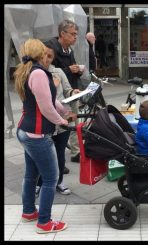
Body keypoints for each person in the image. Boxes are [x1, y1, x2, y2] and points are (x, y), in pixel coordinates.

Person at [14, 38, 71, 233]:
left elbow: (49, 100)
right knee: (51, 178)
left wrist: (64, 112)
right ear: (39, 52)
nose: (48, 54)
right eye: (45, 52)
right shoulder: (38, 73)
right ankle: (44, 223)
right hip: (36, 134)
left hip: (26, 130)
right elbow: (46, 106)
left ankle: (29, 211)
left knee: (31, 174)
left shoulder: (28, 70)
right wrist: (60, 121)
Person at [35, 41, 79, 197]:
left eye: (50, 56)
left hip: (62, 121)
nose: (47, 58)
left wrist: (74, 92)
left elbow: (67, 90)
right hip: (44, 122)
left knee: (60, 154)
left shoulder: (58, 72)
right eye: (44, 55)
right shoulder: (35, 73)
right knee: (43, 155)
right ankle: (39, 183)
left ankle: (59, 181)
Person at [49, 19, 82, 162]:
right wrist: (68, 69)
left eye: (76, 34)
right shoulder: (51, 49)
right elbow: (50, 72)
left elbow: (68, 71)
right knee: (60, 126)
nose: (75, 37)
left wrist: (78, 71)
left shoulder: (69, 49)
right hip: (58, 96)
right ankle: (57, 158)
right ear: (62, 33)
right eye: (73, 34)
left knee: (75, 122)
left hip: (70, 91)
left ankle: (75, 152)